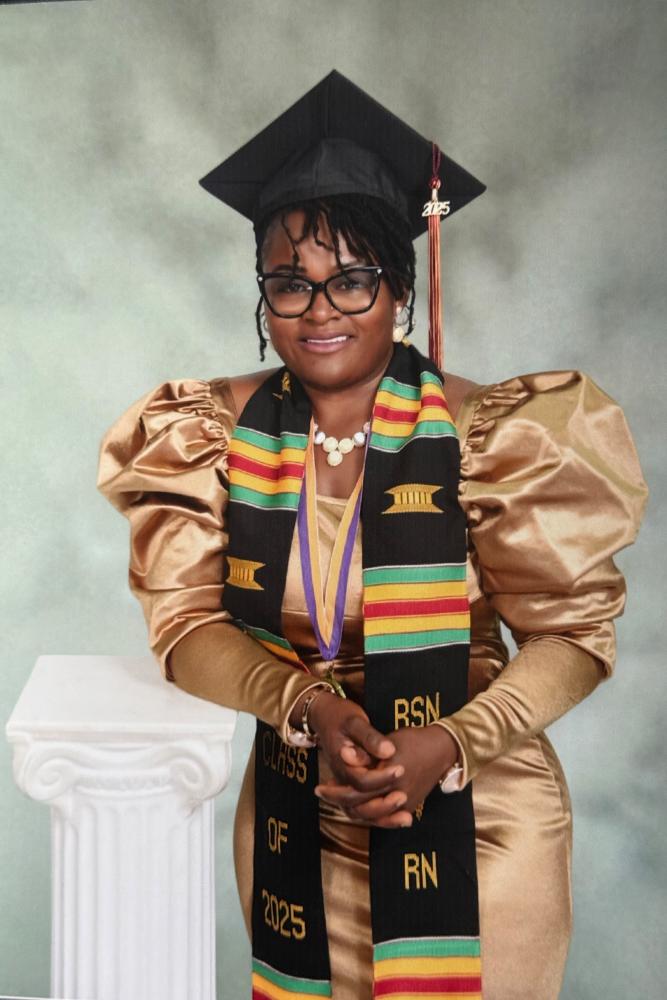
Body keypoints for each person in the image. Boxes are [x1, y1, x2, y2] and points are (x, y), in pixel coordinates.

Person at [97, 72, 648, 1000]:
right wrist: (306, 705)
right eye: (290, 285)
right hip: (297, 805)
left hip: (477, 813)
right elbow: (185, 629)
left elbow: (572, 640)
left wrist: (452, 744)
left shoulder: (490, 433)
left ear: (398, 285)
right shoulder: (205, 433)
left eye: (351, 280)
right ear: (263, 294)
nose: (320, 311)